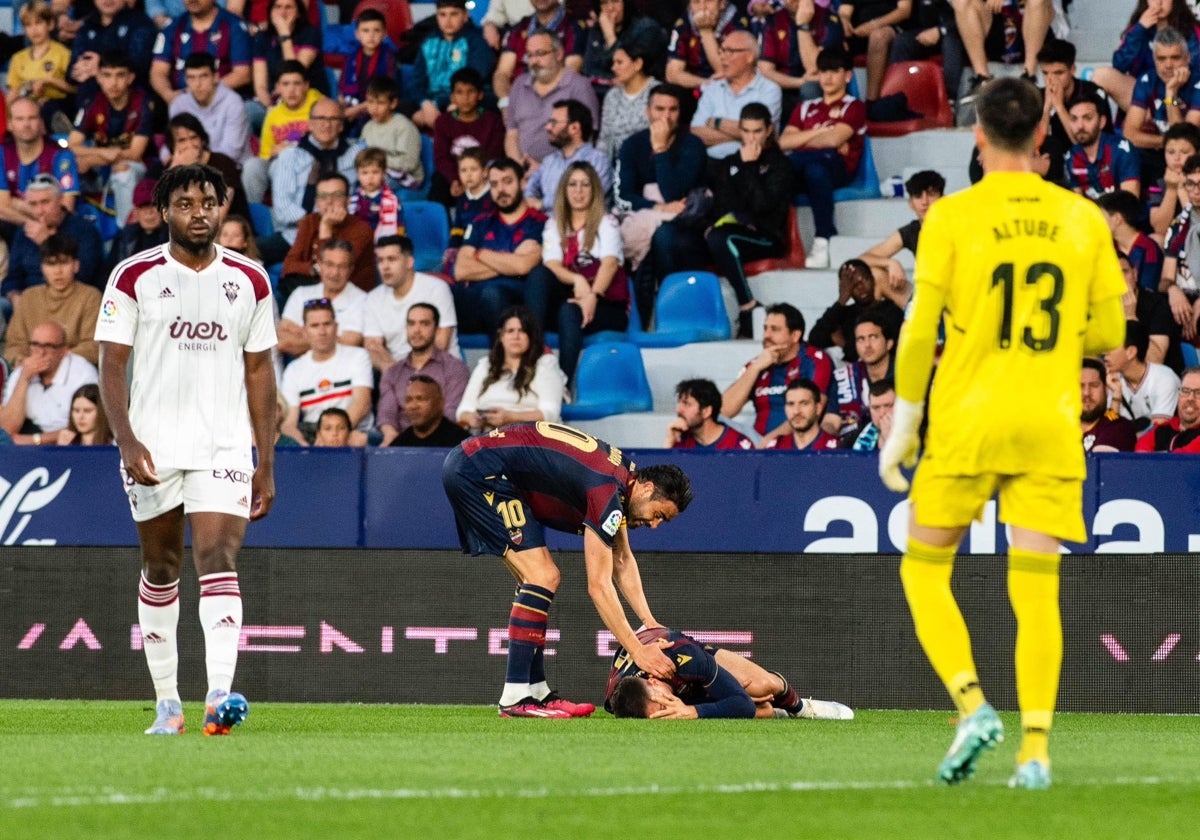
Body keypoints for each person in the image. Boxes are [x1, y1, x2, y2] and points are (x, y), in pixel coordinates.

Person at [877, 78, 1126, 789]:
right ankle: (1038, 753)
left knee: (924, 570)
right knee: (1036, 589)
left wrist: (906, 421)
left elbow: (921, 326)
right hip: (1048, 423)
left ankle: (971, 704)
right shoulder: (1081, 217)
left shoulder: (952, 217)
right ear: (1043, 136)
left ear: (979, 137)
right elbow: (1110, 331)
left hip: (967, 419)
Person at [94, 165, 276, 737]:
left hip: (223, 443)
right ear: (164, 211)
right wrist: (125, 437)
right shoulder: (133, 275)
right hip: (153, 445)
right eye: (185, 203)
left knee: (218, 557)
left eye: (209, 202)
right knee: (162, 565)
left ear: (223, 208)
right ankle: (168, 704)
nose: (199, 212)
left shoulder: (251, 279)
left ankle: (218, 696)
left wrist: (265, 460)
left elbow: (259, 372)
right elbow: (112, 363)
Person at [442, 420, 693, 716]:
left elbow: (622, 559)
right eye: (658, 514)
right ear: (648, 488)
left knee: (536, 581)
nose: (653, 525)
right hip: (480, 471)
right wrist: (639, 652)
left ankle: (535, 691)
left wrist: (650, 623)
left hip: (481, 465)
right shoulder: (607, 491)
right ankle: (516, 695)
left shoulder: (623, 479)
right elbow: (599, 586)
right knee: (542, 576)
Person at [606, 626, 853, 719]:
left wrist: (692, 711)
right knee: (760, 711)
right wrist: (690, 711)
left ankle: (800, 708)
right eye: (659, 716)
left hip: (689, 664)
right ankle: (776, 713)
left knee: (761, 686)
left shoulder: (685, 658)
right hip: (680, 687)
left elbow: (743, 705)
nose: (667, 709)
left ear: (653, 682)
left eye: (661, 706)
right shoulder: (617, 702)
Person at [526, 161, 628, 384]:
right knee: (539, 275)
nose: (578, 191)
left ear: (594, 191)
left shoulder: (607, 223)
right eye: (572, 185)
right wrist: (577, 279)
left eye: (585, 185)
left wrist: (593, 296)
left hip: (606, 305)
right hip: (571, 297)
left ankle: (561, 384)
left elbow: (610, 263)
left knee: (570, 311)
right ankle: (532, 351)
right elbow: (552, 265)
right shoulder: (554, 224)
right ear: (564, 189)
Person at [615, 83, 707, 327]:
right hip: (646, 220)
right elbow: (622, 195)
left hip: (687, 225)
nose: (666, 116)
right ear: (647, 111)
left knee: (665, 236)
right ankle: (641, 317)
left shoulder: (692, 145)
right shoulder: (632, 145)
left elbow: (673, 192)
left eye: (673, 110)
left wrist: (660, 148)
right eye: (659, 109)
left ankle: (670, 309)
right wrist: (656, 208)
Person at [705, 101, 794, 338]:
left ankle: (747, 305)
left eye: (757, 131)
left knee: (721, 238)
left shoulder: (780, 165)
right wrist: (745, 169)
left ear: (769, 130)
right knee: (700, 239)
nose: (751, 138)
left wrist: (751, 167)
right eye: (746, 131)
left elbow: (761, 206)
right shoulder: (732, 162)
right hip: (737, 231)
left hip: (769, 237)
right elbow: (725, 204)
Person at [778, 48, 866, 270]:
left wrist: (802, 140)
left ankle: (823, 239)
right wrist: (819, 133)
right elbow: (783, 142)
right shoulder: (806, 107)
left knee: (809, 167)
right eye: (823, 72)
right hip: (804, 167)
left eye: (834, 72)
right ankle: (794, 238)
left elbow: (834, 139)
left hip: (838, 170)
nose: (826, 78)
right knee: (800, 169)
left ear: (847, 75)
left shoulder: (854, 106)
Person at [259, 97, 362, 267]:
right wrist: (315, 226)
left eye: (333, 119)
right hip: (296, 234)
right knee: (244, 254)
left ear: (342, 125)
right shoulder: (290, 156)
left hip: (342, 233)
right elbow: (283, 207)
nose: (326, 124)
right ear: (310, 124)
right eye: (320, 118)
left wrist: (332, 225)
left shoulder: (355, 155)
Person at [453, 157, 547, 335]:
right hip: (474, 300)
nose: (501, 190)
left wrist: (480, 254)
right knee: (439, 292)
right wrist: (509, 261)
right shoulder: (480, 221)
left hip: (512, 300)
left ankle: (503, 358)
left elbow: (524, 266)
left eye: (508, 182)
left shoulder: (538, 222)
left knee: (492, 294)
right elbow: (461, 270)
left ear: (522, 183)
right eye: (494, 184)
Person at [721, 302, 837, 439]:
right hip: (757, 440)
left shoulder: (814, 360)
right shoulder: (758, 363)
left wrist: (769, 442)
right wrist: (755, 368)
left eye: (775, 329)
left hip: (795, 443)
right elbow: (723, 411)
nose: (766, 335)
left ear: (795, 336)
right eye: (765, 328)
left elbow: (811, 414)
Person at [67, 51, 151, 228]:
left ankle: (127, 232)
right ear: (98, 78)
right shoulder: (92, 102)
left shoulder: (142, 103)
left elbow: (135, 153)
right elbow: (73, 144)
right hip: (102, 165)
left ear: (130, 78)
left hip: (137, 167)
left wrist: (92, 159)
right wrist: (102, 154)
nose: (113, 83)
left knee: (122, 171)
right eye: (107, 76)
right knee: (66, 164)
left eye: (120, 76)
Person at [279, 298, 374, 444]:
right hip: (313, 436)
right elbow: (288, 423)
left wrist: (334, 435)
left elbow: (362, 404)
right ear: (304, 331)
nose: (322, 332)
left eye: (327, 324)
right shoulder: (294, 370)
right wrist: (305, 448)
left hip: (353, 431)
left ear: (336, 327)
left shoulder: (358, 356)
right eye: (315, 326)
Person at [457, 305, 565, 433]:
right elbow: (462, 411)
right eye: (510, 331)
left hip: (531, 438)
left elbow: (550, 414)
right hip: (487, 437)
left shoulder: (545, 365)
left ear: (531, 336)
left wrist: (511, 418)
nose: (516, 336)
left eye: (522, 331)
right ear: (501, 335)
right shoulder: (485, 366)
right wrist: (473, 419)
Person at [2, 174, 104, 308]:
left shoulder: (84, 230)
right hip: (29, 300)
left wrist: (46, 242)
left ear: (61, 200)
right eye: (33, 204)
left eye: (45, 202)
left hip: (71, 302)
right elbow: (12, 278)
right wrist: (15, 297)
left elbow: (83, 276)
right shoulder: (24, 232)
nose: (39, 211)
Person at [377, 302, 470, 444]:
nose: (417, 330)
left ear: (437, 330)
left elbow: (450, 413)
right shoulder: (393, 372)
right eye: (411, 324)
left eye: (424, 324)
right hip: (401, 441)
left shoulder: (455, 368)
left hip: (439, 439)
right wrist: (391, 439)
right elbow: (387, 415)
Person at [504, 29, 600, 168]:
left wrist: (546, 171)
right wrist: (517, 167)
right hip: (523, 173)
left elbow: (586, 138)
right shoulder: (519, 84)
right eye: (529, 55)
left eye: (541, 54)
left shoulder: (579, 85)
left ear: (559, 54)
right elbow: (511, 133)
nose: (534, 61)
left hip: (564, 173)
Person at [4, 234, 101, 367]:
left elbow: (94, 346)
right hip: (32, 371)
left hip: (75, 371)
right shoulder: (28, 297)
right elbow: (14, 345)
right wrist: (22, 360)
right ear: (42, 268)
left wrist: (54, 362)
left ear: (76, 265)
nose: (58, 271)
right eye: (51, 264)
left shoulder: (91, 297)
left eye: (64, 263)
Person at [690, 29, 783, 163]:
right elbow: (696, 133)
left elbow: (763, 136)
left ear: (749, 57)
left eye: (730, 51)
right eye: (722, 51)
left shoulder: (769, 90)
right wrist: (743, 134)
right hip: (710, 164)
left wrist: (716, 122)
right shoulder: (713, 88)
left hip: (751, 164)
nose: (722, 57)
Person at [1092, 0, 1200, 114]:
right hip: (1146, 98)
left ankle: (1166, 120)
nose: (1159, 2)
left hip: (1181, 98)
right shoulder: (1138, 29)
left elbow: (1196, 70)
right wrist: (1139, 30)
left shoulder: (1191, 30)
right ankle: (1142, 121)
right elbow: (1119, 65)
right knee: (1102, 75)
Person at [1, 319, 99, 445]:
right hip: (24, 447)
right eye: (35, 345)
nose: (41, 352)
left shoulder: (83, 373)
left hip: (70, 446)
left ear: (64, 350)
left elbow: (92, 424)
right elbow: (6, 429)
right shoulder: (20, 373)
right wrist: (24, 379)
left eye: (48, 346)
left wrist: (35, 440)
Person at [279, 173, 377, 298]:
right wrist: (314, 269)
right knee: (287, 282)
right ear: (317, 202)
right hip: (313, 288)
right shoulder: (309, 221)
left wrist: (326, 227)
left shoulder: (361, 229)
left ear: (348, 201)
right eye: (323, 196)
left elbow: (334, 272)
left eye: (336, 195)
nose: (329, 201)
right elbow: (289, 265)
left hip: (350, 296)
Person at [857, 169, 943, 308]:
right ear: (911, 204)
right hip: (922, 299)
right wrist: (890, 263)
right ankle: (872, 327)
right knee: (875, 275)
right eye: (918, 196)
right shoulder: (911, 230)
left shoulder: (956, 226)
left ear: (943, 199)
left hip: (956, 301)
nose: (925, 202)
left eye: (931, 194)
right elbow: (861, 260)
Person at [409, 0, 496, 132]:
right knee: (397, 108)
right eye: (442, 15)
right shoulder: (428, 42)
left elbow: (473, 82)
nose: (447, 21)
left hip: (463, 100)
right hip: (431, 103)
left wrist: (439, 104)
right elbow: (417, 80)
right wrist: (425, 104)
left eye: (454, 14)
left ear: (466, 15)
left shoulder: (478, 43)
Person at [149, 0, 252, 107]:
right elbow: (158, 72)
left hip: (223, 103)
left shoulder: (234, 26)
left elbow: (242, 74)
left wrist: (194, 94)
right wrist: (169, 95)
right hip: (181, 107)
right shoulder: (172, 27)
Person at [277, 239, 368, 355]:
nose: (335, 272)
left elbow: (349, 343)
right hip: (300, 370)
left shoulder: (362, 300)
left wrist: (305, 336)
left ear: (351, 269)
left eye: (342, 266)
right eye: (330, 265)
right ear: (319, 264)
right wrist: (332, 339)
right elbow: (282, 341)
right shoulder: (300, 294)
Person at [0, 96, 80, 227]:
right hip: (16, 225)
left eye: (32, 118)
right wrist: (32, 224)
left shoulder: (61, 155)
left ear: (42, 123)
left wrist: (17, 204)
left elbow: (66, 208)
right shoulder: (2, 153)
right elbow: (2, 208)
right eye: (20, 119)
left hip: (55, 231)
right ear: (10, 124)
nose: (26, 124)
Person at [431, 69, 506, 206]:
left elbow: (493, 156)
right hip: (454, 175)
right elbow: (441, 158)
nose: (465, 98)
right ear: (452, 97)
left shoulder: (493, 121)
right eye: (459, 92)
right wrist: (455, 179)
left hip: (482, 175)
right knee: (438, 183)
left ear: (480, 95)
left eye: (471, 92)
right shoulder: (443, 121)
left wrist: (473, 179)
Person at [164, 115, 254, 229]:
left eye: (194, 137)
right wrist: (176, 168)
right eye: (182, 140)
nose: (190, 145)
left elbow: (218, 216)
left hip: (227, 235)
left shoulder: (222, 163)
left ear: (202, 140)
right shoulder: (171, 167)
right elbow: (162, 212)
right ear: (172, 146)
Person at [525, 98, 613, 210]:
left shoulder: (598, 160)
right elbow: (529, 191)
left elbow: (588, 198)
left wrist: (542, 204)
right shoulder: (548, 161)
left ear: (574, 128)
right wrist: (530, 199)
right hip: (548, 225)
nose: (547, 127)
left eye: (553, 122)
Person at [493, 0, 586, 106]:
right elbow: (502, 73)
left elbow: (572, 69)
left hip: (557, 102)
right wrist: (506, 103)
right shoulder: (520, 28)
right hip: (518, 102)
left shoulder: (573, 27)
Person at [169, 52, 252, 162]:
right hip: (188, 165)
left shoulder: (233, 103)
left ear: (216, 77)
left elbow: (231, 152)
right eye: (192, 78)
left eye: (203, 76)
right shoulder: (178, 105)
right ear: (186, 80)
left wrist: (198, 159)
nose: (198, 84)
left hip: (230, 169)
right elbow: (170, 145)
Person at [1063, 93, 1141, 200]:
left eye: (1088, 118)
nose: (1080, 126)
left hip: (1121, 214)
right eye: (1074, 119)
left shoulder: (1122, 150)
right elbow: (1077, 206)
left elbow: (1129, 205)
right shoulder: (1071, 157)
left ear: (1102, 122)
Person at [1104, 319, 1180, 426]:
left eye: (1112, 347)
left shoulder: (1164, 379)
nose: (1105, 353)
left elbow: (1158, 431)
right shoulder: (1114, 379)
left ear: (1131, 352)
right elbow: (1109, 426)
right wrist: (1116, 395)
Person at [359, 76, 425, 194]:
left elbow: (409, 163)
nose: (374, 108)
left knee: (373, 187)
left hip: (405, 179)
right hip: (376, 173)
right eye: (370, 102)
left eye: (380, 103)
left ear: (393, 103)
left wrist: (377, 162)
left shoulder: (404, 127)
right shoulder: (368, 127)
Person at [666, 0, 749, 89]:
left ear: (722, 4)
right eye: (696, 2)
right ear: (689, 6)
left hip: (731, 88)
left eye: (709, 1)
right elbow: (672, 74)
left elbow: (726, 72)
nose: (702, 7)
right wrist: (707, 84)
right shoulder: (684, 23)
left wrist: (706, 31)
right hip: (696, 85)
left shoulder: (736, 24)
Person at [6, 2, 74, 110]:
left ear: (50, 24)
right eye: (28, 25)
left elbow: (75, 89)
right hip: (27, 109)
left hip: (56, 107)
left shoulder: (63, 54)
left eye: (38, 23)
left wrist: (50, 81)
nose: (34, 30)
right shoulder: (17, 58)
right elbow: (13, 92)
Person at [596, 41, 656, 162]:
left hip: (647, 162)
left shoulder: (657, 93)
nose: (613, 68)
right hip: (614, 165)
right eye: (613, 63)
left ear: (638, 64)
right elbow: (604, 138)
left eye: (619, 62)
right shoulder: (612, 95)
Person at [337, 10, 397, 126]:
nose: (371, 36)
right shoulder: (351, 56)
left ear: (384, 34)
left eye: (376, 31)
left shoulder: (389, 58)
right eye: (365, 31)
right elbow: (342, 86)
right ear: (357, 34)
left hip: (377, 107)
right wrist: (342, 103)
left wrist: (357, 109)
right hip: (352, 106)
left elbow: (388, 92)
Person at [1098, 189, 1164, 293]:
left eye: (1100, 216)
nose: (1096, 222)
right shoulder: (1108, 247)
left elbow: (1148, 288)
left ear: (1117, 219)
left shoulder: (1148, 248)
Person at [105, 179, 170, 277]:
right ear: (135, 212)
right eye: (143, 206)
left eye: (154, 205)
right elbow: (110, 273)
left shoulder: (175, 238)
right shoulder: (124, 237)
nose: (149, 212)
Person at [665, 377, 753, 449]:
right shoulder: (679, 440)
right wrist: (669, 441)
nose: (679, 410)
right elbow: (661, 470)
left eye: (687, 404)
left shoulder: (738, 445)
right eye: (679, 403)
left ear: (706, 411)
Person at [392, 375, 471, 447]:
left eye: (421, 399)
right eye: (408, 400)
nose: (413, 406)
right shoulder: (399, 446)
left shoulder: (462, 445)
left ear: (440, 403)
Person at [761, 378, 839, 450]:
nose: (796, 411)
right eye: (791, 404)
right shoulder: (774, 449)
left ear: (818, 408)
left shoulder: (837, 450)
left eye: (804, 403)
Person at [1136, 365, 1200, 451]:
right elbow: (1140, 455)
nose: (1190, 398)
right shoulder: (1162, 428)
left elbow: (1183, 460)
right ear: (1179, 395)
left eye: (1198, 392)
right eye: (1185, 391)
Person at [1080, 357, 1137, 453]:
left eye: (1094, 385)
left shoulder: (1119, 427)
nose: (1086, 393)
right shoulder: (1057, 427)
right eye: (1080, 386)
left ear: (1106, 390)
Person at [348, 147, 402, 241]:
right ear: (358, 175)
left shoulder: (392, 200)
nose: (370, 177)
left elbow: (400, 224)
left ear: (384, 173)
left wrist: (400, 240)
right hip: (360, 242)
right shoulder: (352, 200)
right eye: (364, 173)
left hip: (384, 243)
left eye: (375, 172)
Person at [848, 377, 896, 451]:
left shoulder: (918, 435)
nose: (882, 413)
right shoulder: (855, 438)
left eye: (888, 406)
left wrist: (891, 439)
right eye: (876, 407)